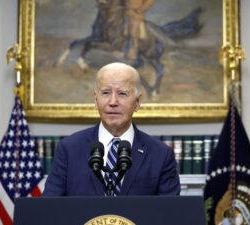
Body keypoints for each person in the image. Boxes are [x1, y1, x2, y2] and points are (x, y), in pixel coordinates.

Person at [43, 62, 180, 196]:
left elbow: (169, 214)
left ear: (137, 102)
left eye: (122, 93)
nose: (113, 102)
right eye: (106, 93)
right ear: (96, 101)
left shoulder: (161, 154)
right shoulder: (69, 149)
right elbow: (50, 209)